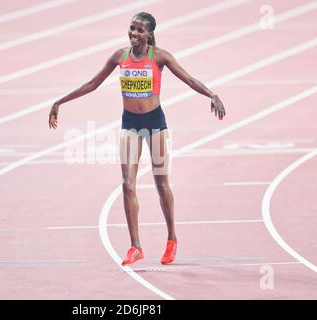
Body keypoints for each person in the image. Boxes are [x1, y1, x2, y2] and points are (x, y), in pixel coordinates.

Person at [48, 12, 225, 266]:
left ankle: (171, 239)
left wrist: (212, 94)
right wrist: (59, 102)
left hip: (155, 124)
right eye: (131, 28)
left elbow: (188, 78)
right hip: (130, 124)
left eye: (140, 30)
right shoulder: (120, 57)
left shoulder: (159, 56)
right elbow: (92, 84)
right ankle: (135, 246)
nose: (134, 33)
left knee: (162, 186)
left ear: (149, 34)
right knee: (127, 184)